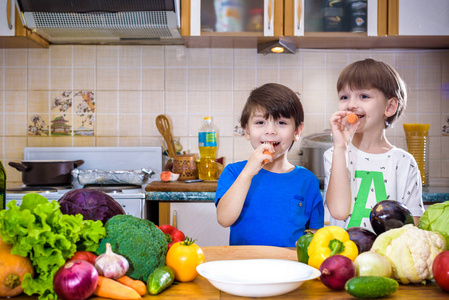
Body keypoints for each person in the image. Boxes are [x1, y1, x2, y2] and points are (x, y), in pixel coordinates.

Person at [215, 83, 324, 247]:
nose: (270, 130)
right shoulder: (234, 172)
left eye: (281, 122)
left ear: (297, 131)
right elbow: (224, 219)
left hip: (291, 268)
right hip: (243, 266)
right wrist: (248, 173)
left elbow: (315, 236)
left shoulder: (307, 180)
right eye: (260, 122)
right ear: (246, 130)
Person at [324, 58, 424, 232]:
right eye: (344, 97)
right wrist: (341, 148)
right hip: (344, 254)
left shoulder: (404, 162)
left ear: (390, 106)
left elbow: (412, 225)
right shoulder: (334, 154)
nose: (351, 104)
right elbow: (339, 212)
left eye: (364, 96)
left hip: (387, 257)